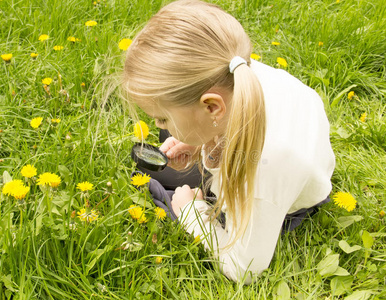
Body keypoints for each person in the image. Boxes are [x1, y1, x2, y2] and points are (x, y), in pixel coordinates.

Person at [122, 0, 335, 284]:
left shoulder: (263, 171)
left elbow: (245, 268)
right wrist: (199, 145)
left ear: (211, 107)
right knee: (168, 151)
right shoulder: (234, 73)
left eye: (162, 119)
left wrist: (191, 212)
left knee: (166, 196)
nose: (160, 126)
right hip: (283, 147)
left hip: (283, 196)